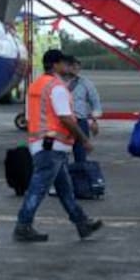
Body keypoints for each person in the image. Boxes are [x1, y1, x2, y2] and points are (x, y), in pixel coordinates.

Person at [13, 50, 102, 242]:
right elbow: (66, 118)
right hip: (53, 146)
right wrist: (83, 139)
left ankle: (82, 223)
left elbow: (29, 117)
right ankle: (23, 225)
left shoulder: (36, 86)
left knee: (65, 189)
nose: (68, 67)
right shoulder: (57, 87)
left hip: (41, 144)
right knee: (38, 188)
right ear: (55, 65)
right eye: (65, 63)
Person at [64, 57, 102, 164]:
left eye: (78, 65)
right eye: (72, 65)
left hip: (80, 121)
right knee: (61, 155)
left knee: (81, 154)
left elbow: (95, 102)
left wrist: (94, 121)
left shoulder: (85, 83)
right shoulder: (57, 82)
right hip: (63, 121)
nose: (75, 67)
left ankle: (80, 177)